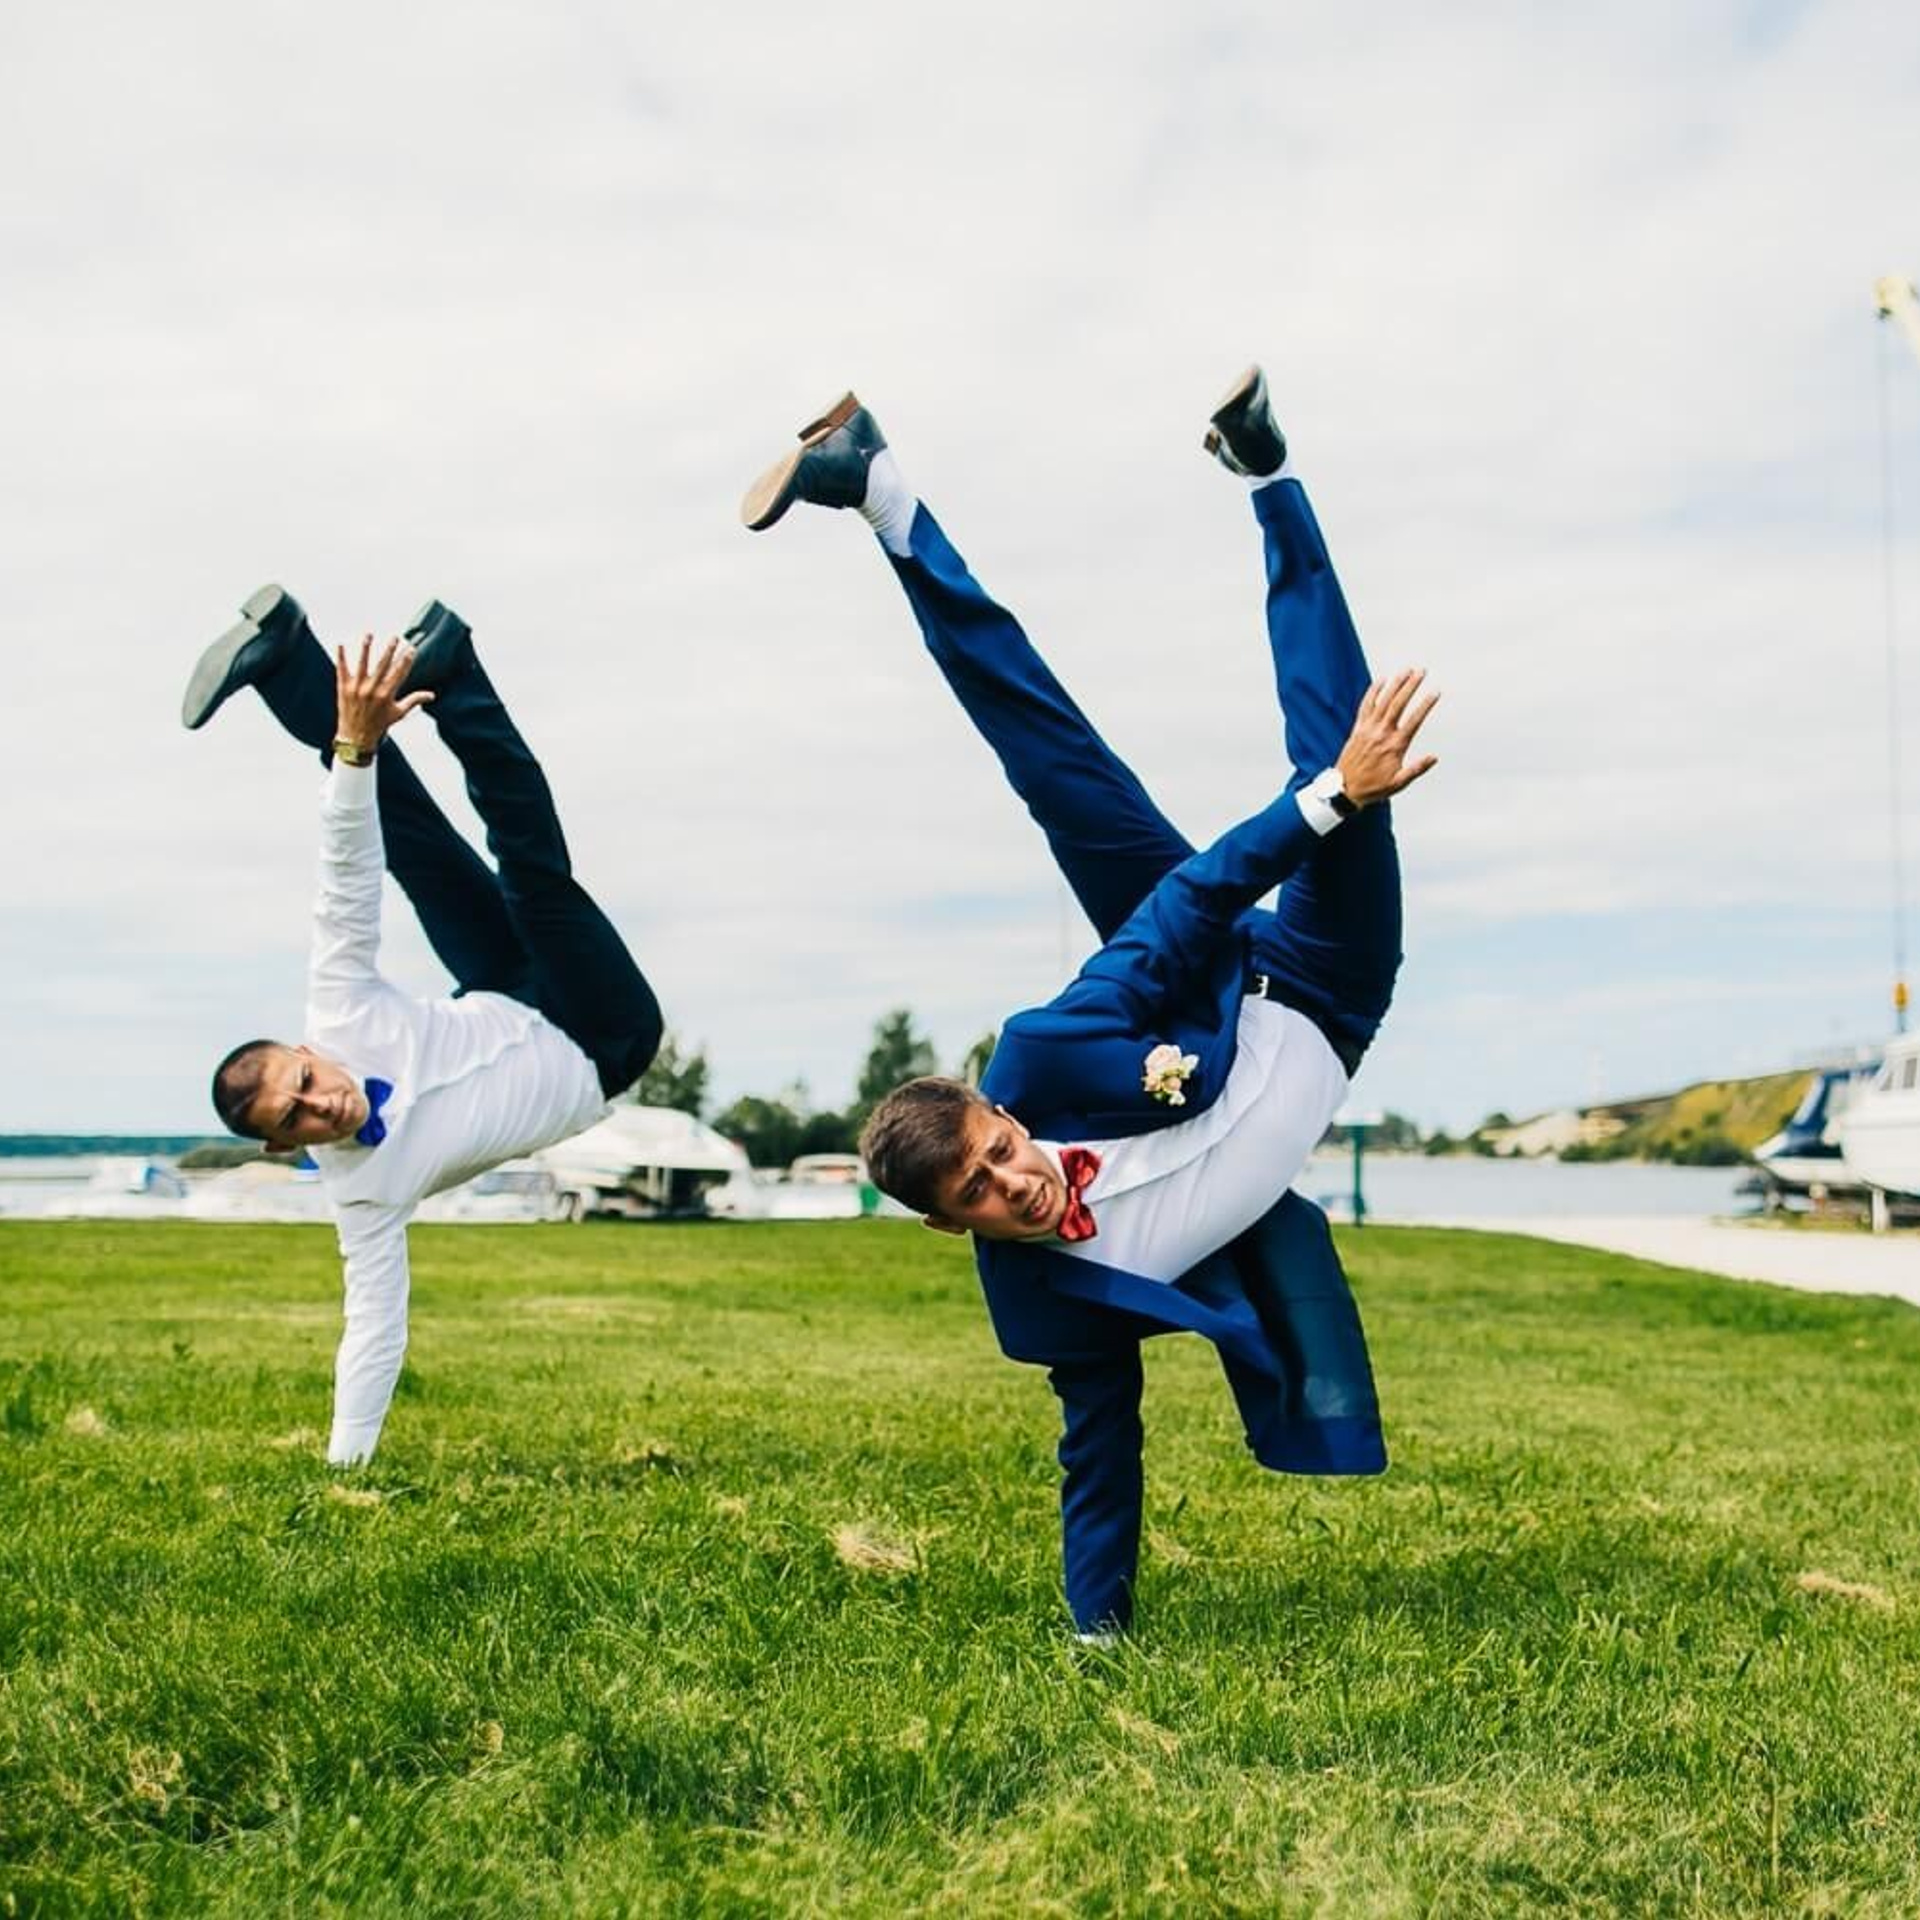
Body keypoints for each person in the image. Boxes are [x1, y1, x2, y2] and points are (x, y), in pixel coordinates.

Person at [742, 367, 1437, 1637]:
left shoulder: (1044, 1056)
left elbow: (1183, 910)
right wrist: (1093, 1634)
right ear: (948, 1225)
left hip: (1192, 971)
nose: (1011, 1182)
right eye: (978, 1191)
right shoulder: (1046, 1303)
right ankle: (883, 476)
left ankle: (1237, 477)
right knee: (1341, 778)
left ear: (1005, 1115)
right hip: (1329, 993)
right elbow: (1099, 1452)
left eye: (998, 1151)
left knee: (1072, 760)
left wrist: (1333, 795)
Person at [182, 596, 664, 1464]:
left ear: (306, 1054)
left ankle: (288, 659)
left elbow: (346, 875)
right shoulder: (363, 1196)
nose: (320, 1106)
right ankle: (458, 674)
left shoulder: (339, 1013)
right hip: (602, 1040)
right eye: (294, 1121)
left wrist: (353, 748)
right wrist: (344, 1465)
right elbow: (371, 1324)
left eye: (304, 1084)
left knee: (412, 846)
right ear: (282, 1149)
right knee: (534, 879)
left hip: (503, 991)